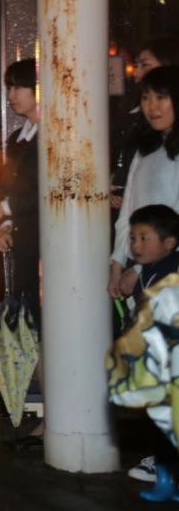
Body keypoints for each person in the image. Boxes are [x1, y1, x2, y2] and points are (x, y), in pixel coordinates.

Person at [107, 206, 179, 501]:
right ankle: (166, 481)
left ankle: (166, 479)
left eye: (143, 238)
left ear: (169, 242)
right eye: (133, 238)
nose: (135, 246)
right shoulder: (148, 271)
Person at [110, 66, 179, 301]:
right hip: (141, 263)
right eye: (146, 98)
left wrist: (138, 269)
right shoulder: (145, 147)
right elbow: (127, 209)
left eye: (161, 97)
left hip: (167, 269)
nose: (153, 106)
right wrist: (117, 263)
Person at [0, 59, 40, 318]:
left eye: (18, 87)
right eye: (9, 88)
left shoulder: (52, 135)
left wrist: (6, 208)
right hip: (23, 240)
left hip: (46, 238)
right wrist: (6, 225)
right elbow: (7, 186)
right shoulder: (16, 139)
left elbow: (46, 188)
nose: (11, 96)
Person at [112, 38, 177, 221]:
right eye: (146, 98)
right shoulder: (145, 141)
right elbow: (128, 212)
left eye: (145, 65)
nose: (136, 73)